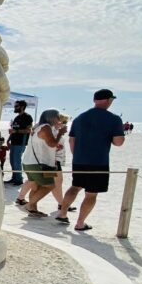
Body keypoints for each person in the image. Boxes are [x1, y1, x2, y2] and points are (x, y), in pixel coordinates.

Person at [55, 89, 125, 231]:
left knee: (75, 186)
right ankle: (80, 223)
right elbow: (118, 142)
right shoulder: (114, 119)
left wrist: (77, 156)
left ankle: (62, 213)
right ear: (108, 100)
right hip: (99, 162)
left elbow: (71, 140)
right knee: (91, 193)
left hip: (79, 160)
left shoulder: (80, 118)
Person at [19, 110, 65, 217]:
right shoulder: (46, 127)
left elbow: (44, 143)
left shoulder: (36, 127)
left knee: (36, 186)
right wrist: (60, 133)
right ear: (52, 117)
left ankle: (32, 209)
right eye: (58, 117)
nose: (59, 120)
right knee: (50, 185)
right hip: (40, 164)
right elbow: (52, 144)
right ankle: (29, 205)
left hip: (29, 162)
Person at [5, 100, 33, 186]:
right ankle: (14, 178)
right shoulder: (16, 118)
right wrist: (8, 140)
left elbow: (29, 130)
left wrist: (16, 131)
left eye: (16, 106)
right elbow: (13, 131)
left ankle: (19, 179)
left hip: (21, 143)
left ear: (22, 107)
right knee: (12, 161)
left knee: (17, 161)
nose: (15, 107)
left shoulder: (27, 117)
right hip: (13, 142)